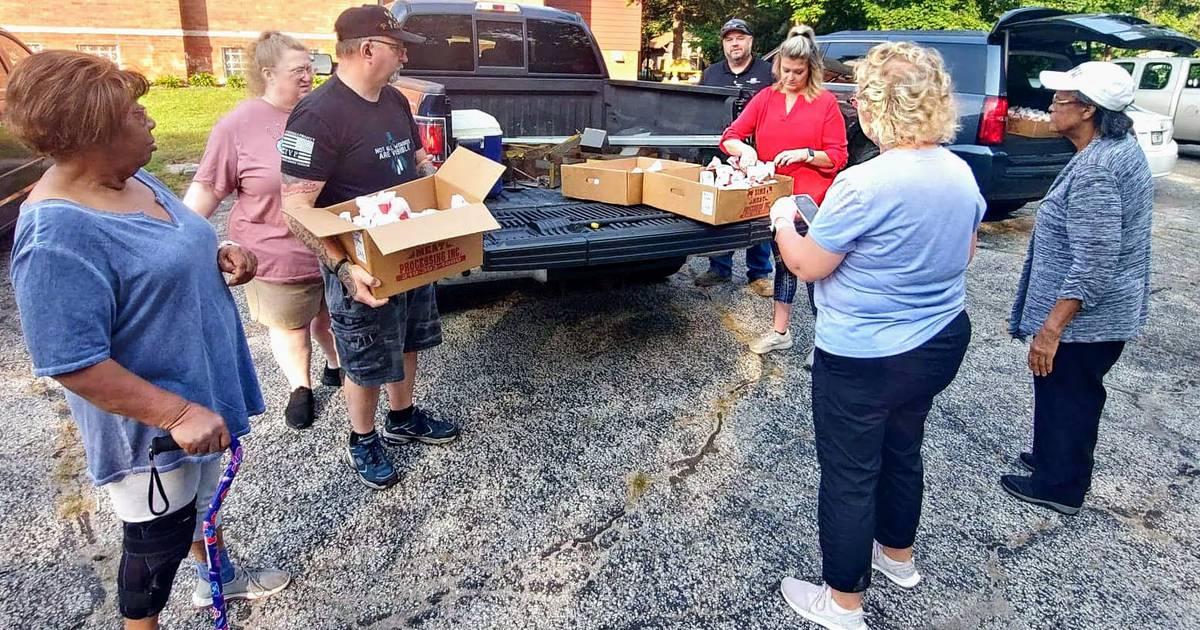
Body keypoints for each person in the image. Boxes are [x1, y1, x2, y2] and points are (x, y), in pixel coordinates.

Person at [5, 51, 290, 630]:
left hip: (198, 397)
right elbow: (70, 362)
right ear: (95, 135)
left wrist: (218, 256)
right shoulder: (56, 236)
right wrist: (176, 411)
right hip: (152, 432)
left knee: (198, 511)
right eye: (137, 114)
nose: (151, 121)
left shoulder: (134, 177)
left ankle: (220, 581)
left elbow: (164, 252)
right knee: (154, 544)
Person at [769, 42, 984, 629]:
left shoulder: (864, 182)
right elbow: (963, 254)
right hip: (939, 340)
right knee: (903, 448)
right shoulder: (960, 172)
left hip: (864, 357)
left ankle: (842, 604)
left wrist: (786, 218)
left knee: (849, 473)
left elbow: (809, 265)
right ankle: (898, 558)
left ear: (870, 109)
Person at [280, 4, 456, 491]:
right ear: (368, 49)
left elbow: (418, 160)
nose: (403, 56)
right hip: (358, 262)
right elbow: (295, 208)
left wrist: (443, 192)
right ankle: (362, 437)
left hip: (408, 245)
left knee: (410, 340)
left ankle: (402, 418)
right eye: (399, 48)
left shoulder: (396, 100)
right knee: (365, 356)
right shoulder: (318, 114)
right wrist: (341, 267)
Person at [1002, 62, 1153, 516]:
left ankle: (1059, 485)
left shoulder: (1098, 170)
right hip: (1103, 311)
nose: (1051, 105)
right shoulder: (1113, 148)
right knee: (1063, 388)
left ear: (1088, 109)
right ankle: (1054, 458)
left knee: (1069, 390)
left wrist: (1052, 328)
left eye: (1061, 99)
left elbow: (1094, 260)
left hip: (1088, 318)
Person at [185, 31, 341, 431]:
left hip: (330, 246)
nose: (308, 76)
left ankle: (335, 364)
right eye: (298, 70)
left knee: (329, 318)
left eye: (311, 68)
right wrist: (178, 234)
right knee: (292, 326)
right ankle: (300, 387)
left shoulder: (323, 113)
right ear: (268, 73)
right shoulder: (238, 125)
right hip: (275, 253)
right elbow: (207, 188)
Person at [718, 26, 848, 358]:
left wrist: (806, 153)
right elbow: (730, 135)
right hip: (778, 199)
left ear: (811, 70)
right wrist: (743, 151)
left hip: (810, 200)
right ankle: (780, 331)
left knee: (815, 274)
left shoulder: (825, 103)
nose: (790, 77)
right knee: (784, 264)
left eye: (798, 72)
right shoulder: (766, 97)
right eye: (785, 70)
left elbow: (838, 155)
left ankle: (825, 343)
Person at [695, 18, 777, 296]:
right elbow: (697, 110)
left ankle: (759, 273)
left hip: (761, 153)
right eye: (729, 39)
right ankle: (719, 268)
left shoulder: (769, 72)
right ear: (723, 44)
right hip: (721, 152)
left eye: (740, 38)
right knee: (721, 210)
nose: (735, 43)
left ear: (751, 41)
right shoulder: (711, 74)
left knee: (759, 211)